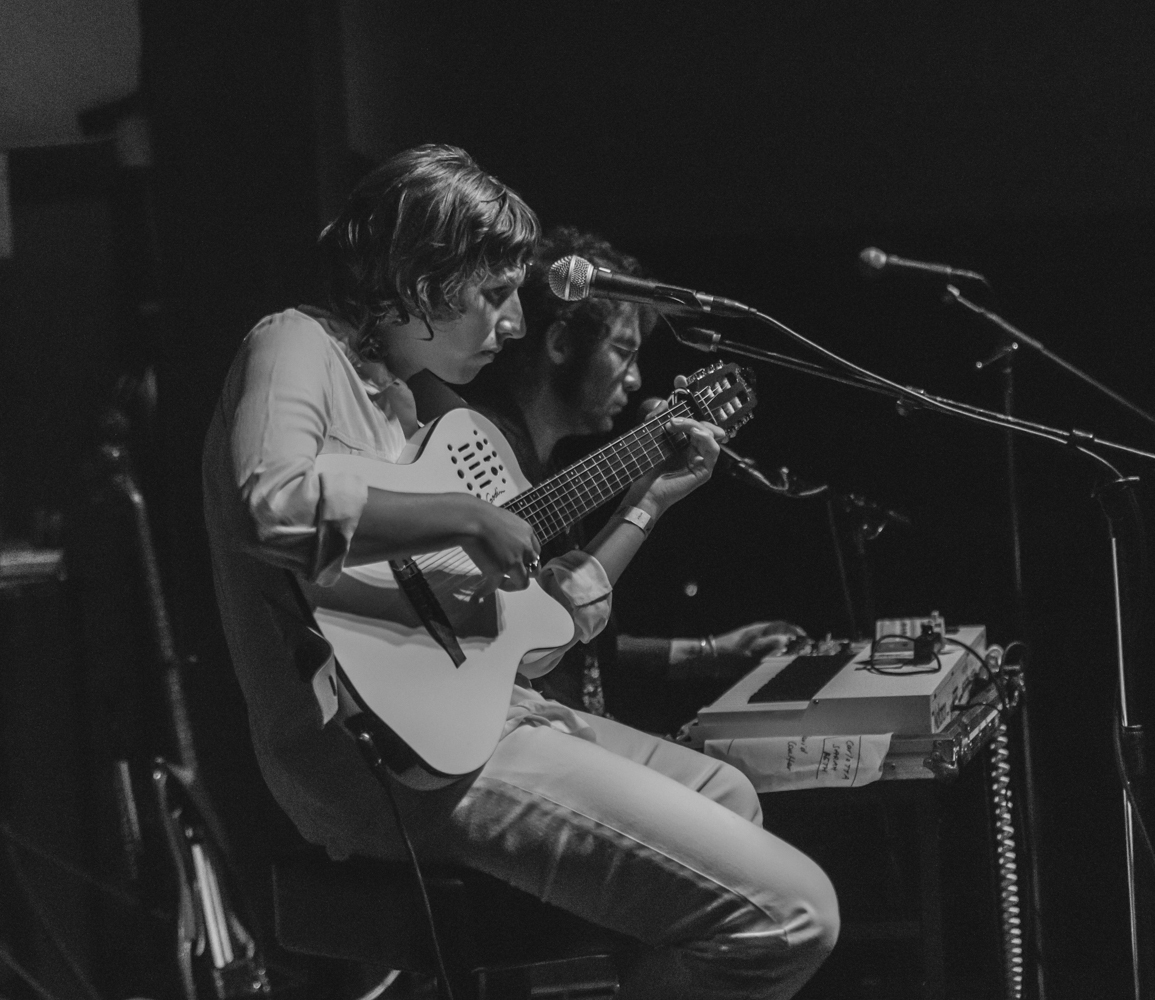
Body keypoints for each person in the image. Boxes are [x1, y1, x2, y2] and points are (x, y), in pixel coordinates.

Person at [201, 145, 837, 1000]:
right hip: (381, 759)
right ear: (423, 272)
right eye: (494, 294)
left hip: (492, 720)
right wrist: (465, 516)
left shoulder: (430, 408)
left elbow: (544, 630)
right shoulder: (295, 343)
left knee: (726, 792)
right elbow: (268, 505)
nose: (511, 325)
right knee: (794, 913)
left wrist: (646, 503)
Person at [470, 225, 805, 719]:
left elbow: (565, 633)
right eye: (623, 352)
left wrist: (705, 653)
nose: (635, 379)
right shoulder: (476, 456)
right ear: (560, 343)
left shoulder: (554, 469)